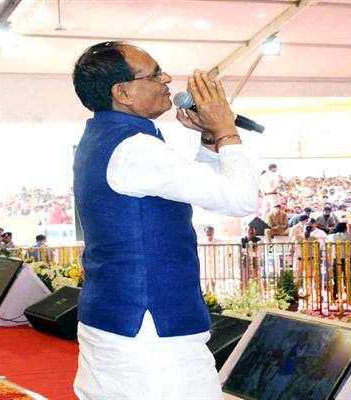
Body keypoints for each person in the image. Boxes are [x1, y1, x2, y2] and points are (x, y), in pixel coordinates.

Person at [71, 41, 258, 399]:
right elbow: (241, 199)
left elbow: (191, 190)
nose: (167, 79)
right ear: (123, 92)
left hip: (121, 318)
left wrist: (209, 140)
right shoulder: (135, 148)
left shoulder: (106, 137)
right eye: (155, 74)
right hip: (151, 332)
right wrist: (226, 131)